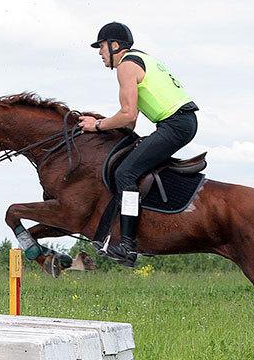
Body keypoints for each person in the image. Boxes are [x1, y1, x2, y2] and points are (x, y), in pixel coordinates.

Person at [79, 22, 199, 268]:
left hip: (175, 125)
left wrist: (97, 125)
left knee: (126, 173)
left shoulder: (126, 66)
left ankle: (128, 246)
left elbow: (128, 115)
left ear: (114, 46)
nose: (100, 53)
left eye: (101, 47)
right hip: (180, 122)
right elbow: (129, 124)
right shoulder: (139, 59)